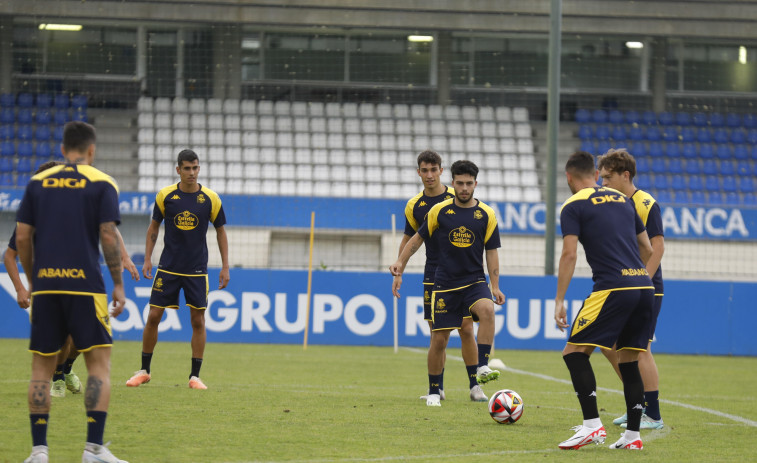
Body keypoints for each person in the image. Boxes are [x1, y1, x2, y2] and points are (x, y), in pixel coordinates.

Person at [16, 121, 128, 463]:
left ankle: (39, 452)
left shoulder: (37, 183)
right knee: (98, 366)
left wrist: (35, 280)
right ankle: (93, 449)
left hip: (47, 286)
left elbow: (21, 237)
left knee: (41, 369)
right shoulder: (102, 183)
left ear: (63, 150)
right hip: (85, 287)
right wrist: (119, 283)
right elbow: (107, 235)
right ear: (92, 150)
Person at [4, 162, 141, 399]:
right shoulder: (34, 214)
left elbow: (108, 228)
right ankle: (57, 377)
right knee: (63, 335)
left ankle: (65, 369)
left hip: (83, 279)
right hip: (48, 283)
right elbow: (10, 255)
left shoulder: (77, 206)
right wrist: (20, 288)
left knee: (81, 338)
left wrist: (125, 257)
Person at [553, 151, 655, 451]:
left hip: (613, 288)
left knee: (573, 353)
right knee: (629, 361)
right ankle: (633, 436)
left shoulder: (572, 204)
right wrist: (634, 272)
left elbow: (569, 253)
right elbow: (647, 248)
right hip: (643, 286)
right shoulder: (623, 200)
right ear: (596, 176)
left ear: (569, 178)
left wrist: (559, 299)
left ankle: (592, 426)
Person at [391, 160, 505, 407]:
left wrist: (494, 285)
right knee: (439, 338)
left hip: (474, 280)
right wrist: (400, 263)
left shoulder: (486, 213)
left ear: (476, 184)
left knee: (484, 313)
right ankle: (435, 390)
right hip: (443, 281)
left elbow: (492, 251)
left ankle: (480, 371)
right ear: (453, 183)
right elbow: (415, 239)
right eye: (460, 183)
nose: (464, 188)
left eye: (469, 183)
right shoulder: (436, 211)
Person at [126, 149, 229, 390]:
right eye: (187, 168)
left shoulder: (211, 199)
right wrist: (148, 259)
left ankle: (195, 376)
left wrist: (225, 266)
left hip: (196, 270)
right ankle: (144, 370)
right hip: (168, 268)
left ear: (199, 169)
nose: (191, 173)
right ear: (178, 170)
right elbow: (153, 228)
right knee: (153, 316)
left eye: (195, 168)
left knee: (198, 321)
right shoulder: (165, 196)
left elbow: (221, 232)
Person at [597, 148, 665, 430]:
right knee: (609, 346)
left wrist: (643, 284)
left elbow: (657, 248)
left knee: (640, 349)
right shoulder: (613, 204)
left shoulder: (646, 203)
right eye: (601, 178)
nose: (603, 183)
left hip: (646, 287)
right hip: (624, 286)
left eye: (608, 177)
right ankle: (636, 403)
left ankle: (653, 414)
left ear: (625, 175)